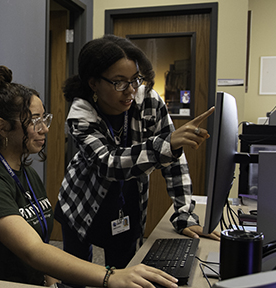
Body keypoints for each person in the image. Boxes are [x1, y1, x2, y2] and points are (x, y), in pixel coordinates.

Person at [0, 65, 182, 288]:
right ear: (2, 127)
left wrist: (52, 284)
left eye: (44, 118)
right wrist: (110, 276)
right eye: (34, 120)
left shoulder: (27, 173)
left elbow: (42, 246)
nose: (45, 129)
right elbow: (33, 250)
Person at [57, 35, 221, 273]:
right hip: (81, 205)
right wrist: (166, 145)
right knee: (77, 276)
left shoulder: (148, 101)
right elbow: (109, 163)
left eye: (135, 80)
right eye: (119, 83)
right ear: (94, 83)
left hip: (127, 206)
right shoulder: (80, 114)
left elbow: (174, 161)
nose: (131, 90)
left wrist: (184, 213)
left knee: (125, 273)